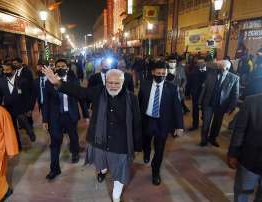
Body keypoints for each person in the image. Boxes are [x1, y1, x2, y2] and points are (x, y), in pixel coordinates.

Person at [42, 65, 142, 202]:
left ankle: (116, 196)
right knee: (101, 162)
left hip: (121, 143)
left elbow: (136, 123)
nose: (113, 86)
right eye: (110, 83)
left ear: (122, 82)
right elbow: (78, 91)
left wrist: (136, 146)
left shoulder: (132, 99)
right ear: (105, 82)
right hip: (99, 139)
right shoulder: (98, 92)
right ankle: (102, 171)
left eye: (116, 83)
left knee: (120, 170)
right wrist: (58, 83)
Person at [42, 59, 89, 180]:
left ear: (67, 67)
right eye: (58, 66)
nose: (61, 68)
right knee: (55, 143)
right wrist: (45, 120)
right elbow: (46, 102)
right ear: (55, 68)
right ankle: (54, 169)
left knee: (73, 137)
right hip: (55, 118)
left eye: (63, 66)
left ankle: (75, 152)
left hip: (70, 115)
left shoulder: (73, 80)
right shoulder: (49, 82)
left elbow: (80, 97)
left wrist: (86, 114)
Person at [138, 60, 184, 186]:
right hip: (147, 120)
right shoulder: (144, 85)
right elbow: (139, 103)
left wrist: (179, 126)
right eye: (158, 73)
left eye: (164, 73)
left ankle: (155, 172)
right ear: (153, 72)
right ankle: (146, 153)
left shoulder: (172, 88)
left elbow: (177, 108)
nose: (161, 76)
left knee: (159, 150)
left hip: (162, 123)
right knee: (146, 142)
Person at [227, 94, 262, 202]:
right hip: (250, 160)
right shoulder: (252, 101)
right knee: (241, 193)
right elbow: (239, 130)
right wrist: (233, 153)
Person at [0, 63, 36, 147]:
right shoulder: (0, 81)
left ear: (14, 71)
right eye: (4, 70)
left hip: (20, 106)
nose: (5, 72)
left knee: (23, 121)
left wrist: (29, 108)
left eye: (7, 70)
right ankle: (17, 145)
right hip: (8, 107)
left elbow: (27, 96)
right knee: (12, 127)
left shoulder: (22, 81)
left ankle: (29, 131)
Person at [199, 60, 239, 147]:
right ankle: (204, 139)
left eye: (222, 68)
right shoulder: (211, 75)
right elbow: (204, 89)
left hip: (221, 106)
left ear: (227, 69)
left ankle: (212, 138)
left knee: (217, 124)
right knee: (206, 123)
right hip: (209, 103)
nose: (219, 70)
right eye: (218, 68)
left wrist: (232, 107)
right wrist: (200, 102)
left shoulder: (234, 78)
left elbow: (235, 95)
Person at [188, 59, 207, 131]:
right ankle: (195, 125)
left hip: (205, 95)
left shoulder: (209, 71)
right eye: (198, 63)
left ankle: (205, 124)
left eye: (201, 62)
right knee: (195, 110)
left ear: (205, 63)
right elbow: (190, 82)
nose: (199, 64)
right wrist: (188, 92)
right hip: (195, 94)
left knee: (205, 110)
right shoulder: (194, 71)